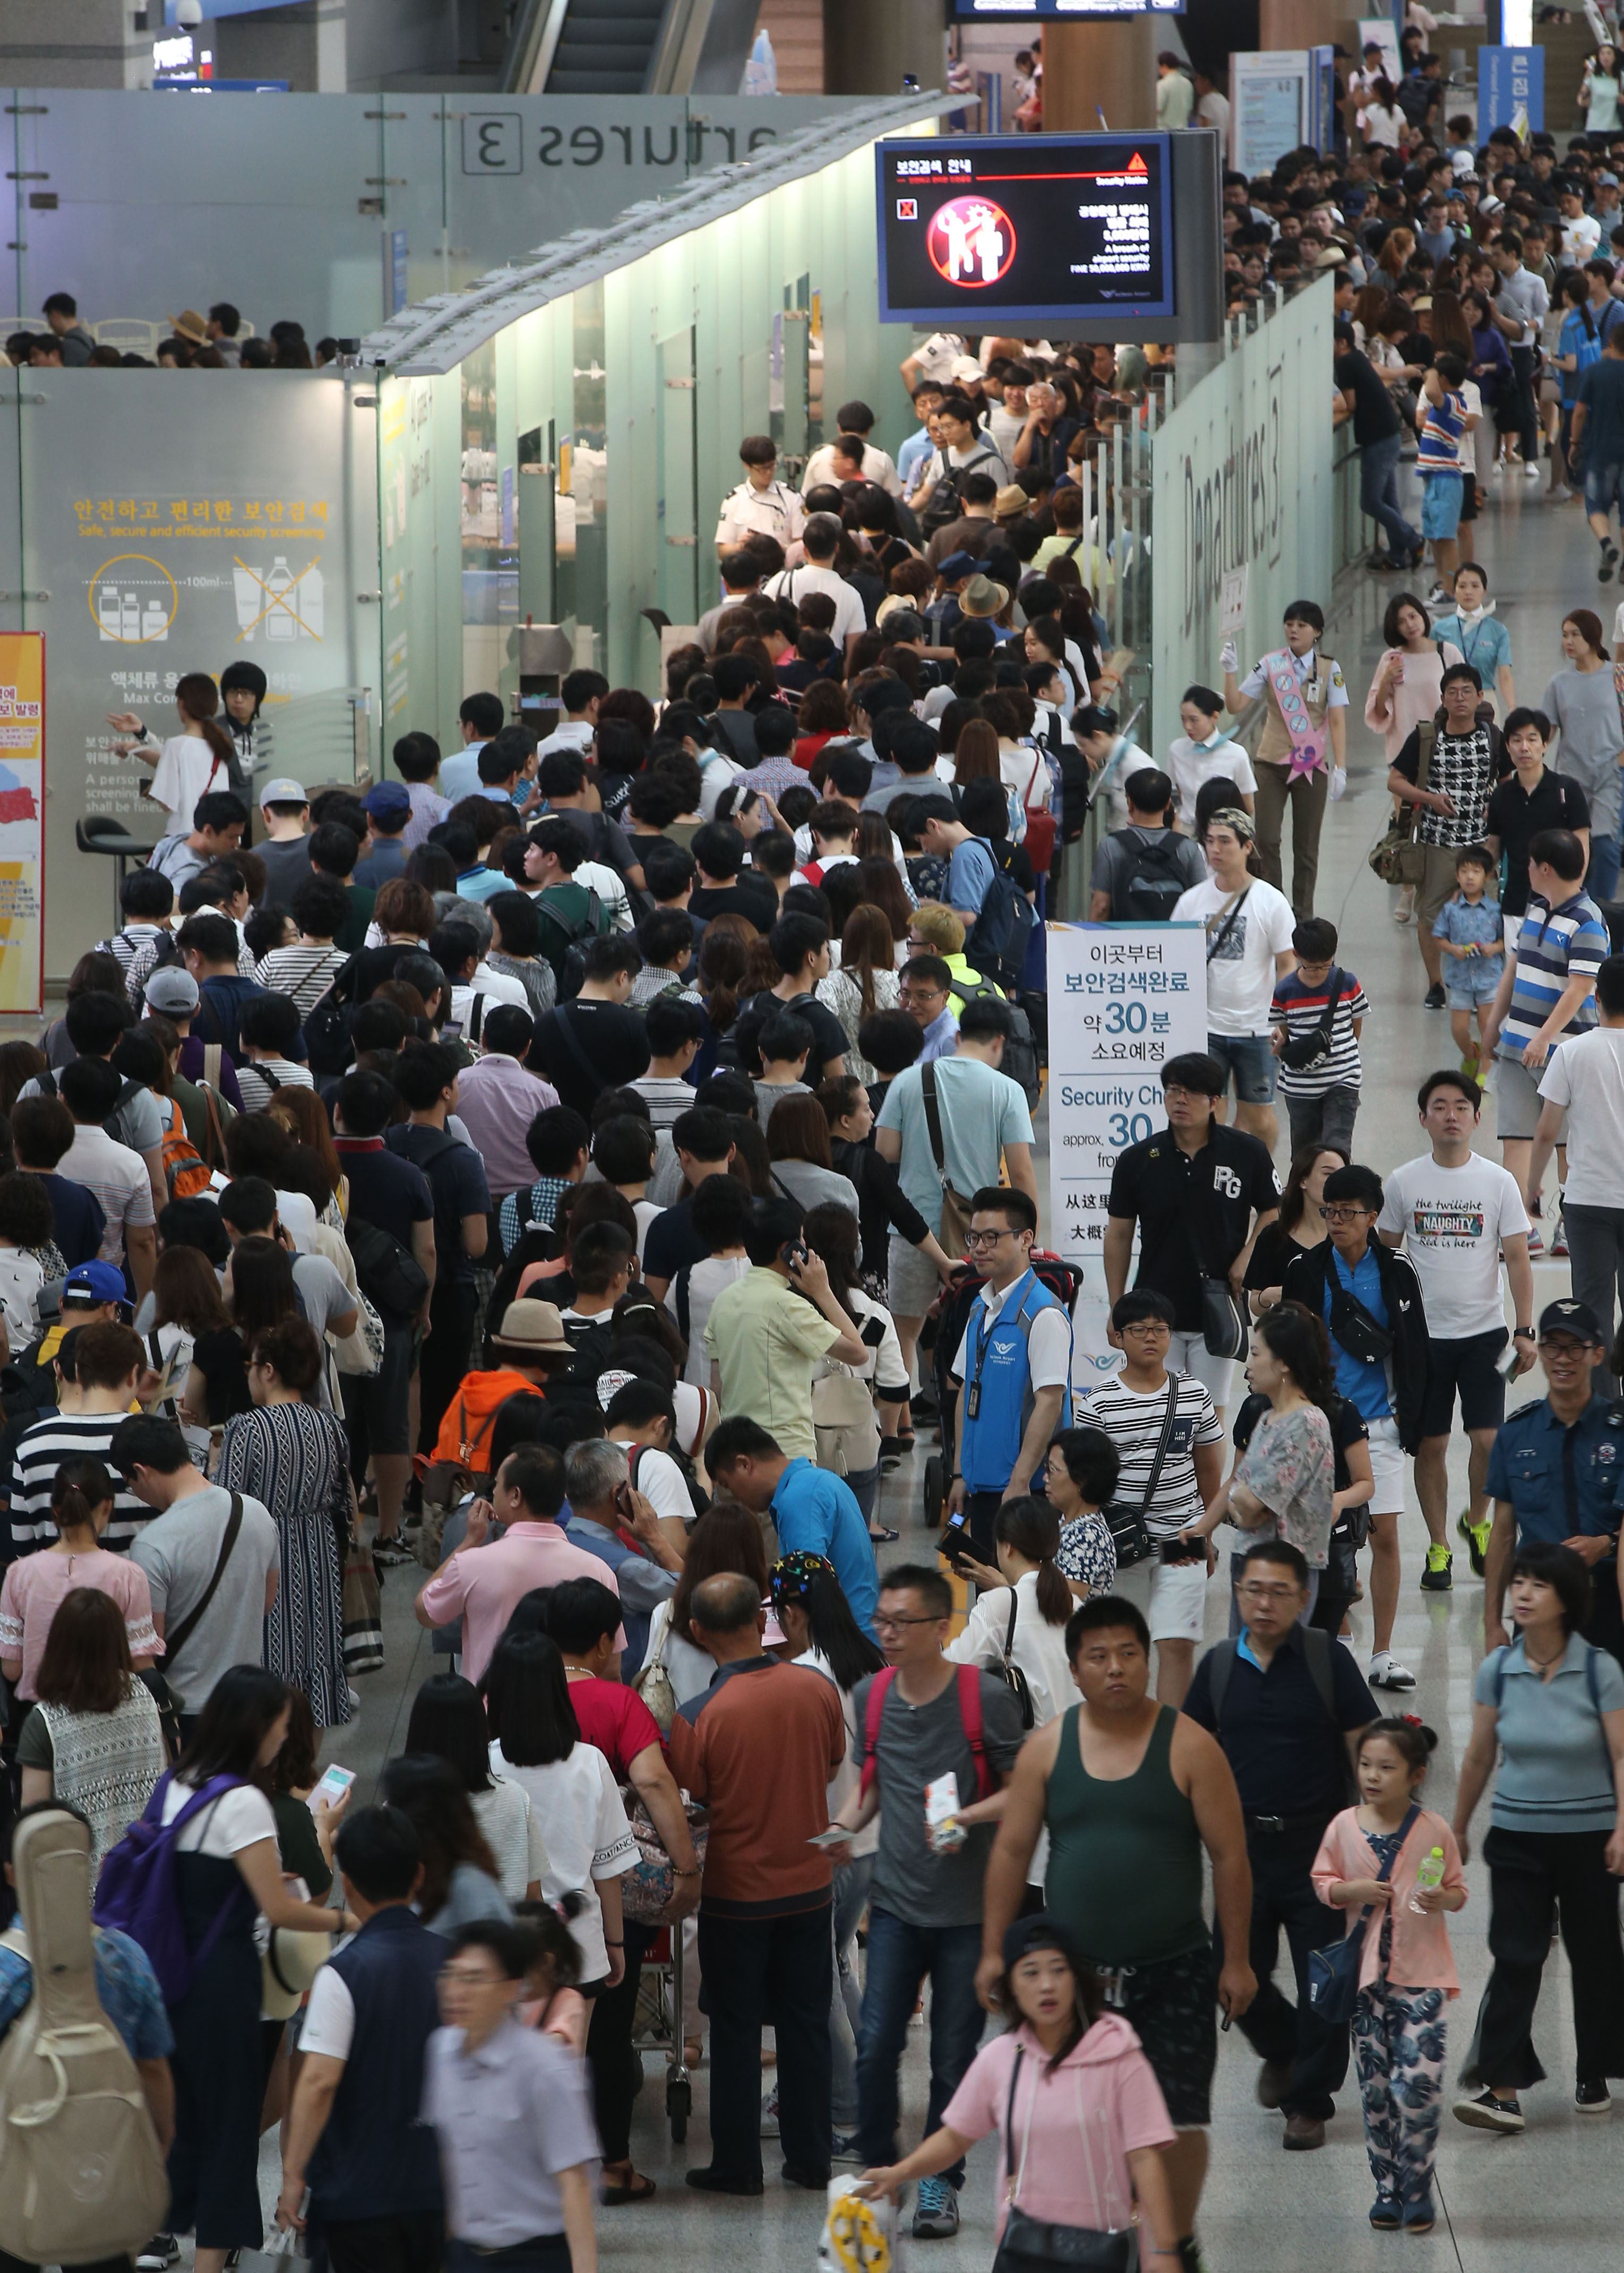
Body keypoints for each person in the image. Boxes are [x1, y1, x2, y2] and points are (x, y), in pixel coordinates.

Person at [977, 1597, 1256, 2268]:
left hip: (1176, 1968)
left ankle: (1172, 2241)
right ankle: (1084, 2235)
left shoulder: (1190, 1745)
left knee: (1180, 2117)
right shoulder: (1047, 1748)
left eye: (1128, 1654)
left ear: (1148, 1659)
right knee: (1066, 2114)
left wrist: (1237, 1960)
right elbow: (1011, 1851)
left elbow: (1229, 1856)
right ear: (1074, 1670)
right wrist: (992, 1951)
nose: (1114, 1669)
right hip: (1071, 1980)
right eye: (1097, 1657)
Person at [822, 1563, 1025, 2240]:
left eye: (901, 1623)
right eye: (881, 1620)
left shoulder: (983, 1698)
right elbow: (875, 1783)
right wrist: (842, 1826)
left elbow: (1024, 1792)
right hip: (897, 1905)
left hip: (969, 1911)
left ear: (943, 1627)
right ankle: (883, 2169)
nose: (887, 1634)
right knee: (876, 2043)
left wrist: (967, 1818)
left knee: (951, 2053)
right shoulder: (868, 1695)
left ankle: (941, 2180)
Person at [138, 1667, 356, 2273]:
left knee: (181, 2117)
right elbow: (283, 1907)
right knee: (231, 2127)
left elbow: (197, 1876)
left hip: (169, 1972)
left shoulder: (177, 1781)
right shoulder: (244, 1801)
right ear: (257, 1727)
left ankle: (146, 2236)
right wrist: (345, 1923)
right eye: (282, 1728)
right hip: (224, 1981)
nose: (285, 1740)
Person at [1181, 1538, 1379, 2149]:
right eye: (1251, 1590)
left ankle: (1307, 2101)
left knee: (1324, 1982)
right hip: (1240, 1851)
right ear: (1236, 1593)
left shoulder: (1326, 1660)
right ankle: (1285, 2048)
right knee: (1228, 1971)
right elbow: (1188, 1748)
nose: (1262, 1604)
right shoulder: (1216, 1667)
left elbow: (1365, 1746)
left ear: (1302, 1597)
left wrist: (1376, 1828)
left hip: (1317, 1849)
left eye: (1276, 1592)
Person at [855, 1912, 1181, 2266]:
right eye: (1030, 1972)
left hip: (1105, 2247)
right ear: (1009, 1987)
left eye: (1058, 1970)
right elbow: (955, 2138)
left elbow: (1145, 2157)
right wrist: (899, 2172)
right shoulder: (1001, 2059)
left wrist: (1163, 2249)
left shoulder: (1119, 2054)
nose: (1046, 1985)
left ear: (1077, 1979)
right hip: (1025, 2249)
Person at [668, 1570, 847, 2194]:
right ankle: (810, 2157)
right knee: (805, 2022)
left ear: (697, 1631)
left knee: (737, 2028)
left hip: (736, 1895)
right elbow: (830, 1763)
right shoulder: (814, 1688)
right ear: (761, 1617)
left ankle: (737, 2165)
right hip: (809, 1887)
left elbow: (695, 1795)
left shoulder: (697, 1716)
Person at [1451, 1540, 1624, 2129]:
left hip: (1590, 1837)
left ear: (1566, 1599)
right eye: (1517, 1582)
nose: (1520, 1594)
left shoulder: (1599, 1668)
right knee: (1515, 1954)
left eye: (1536, 1585)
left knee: (1595, 1954)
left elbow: (1621, 1756)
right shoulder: (1497, 1667)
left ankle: (1593, 2069)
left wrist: (1623, 1826)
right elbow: (1477, 1757)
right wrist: (1456, 1827)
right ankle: (1501, 2088)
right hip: (1517, 1835)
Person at [1378, 1070, 1535, 1592]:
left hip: (1483, 1334)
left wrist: (1524, 1328)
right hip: (1422, 1340)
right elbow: (1380, 1257)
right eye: (1439, 1106)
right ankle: (1438, 1544)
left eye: (1460, 1106)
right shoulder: (1402, 1181)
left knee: (1487, 1440)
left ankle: (1476, 1519)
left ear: (1475, 1117)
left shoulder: (1497, 1182)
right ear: (1422, 1118)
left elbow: (1516, 1256)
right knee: (1430, 1445)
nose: (1450, 1114)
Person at [274, 1803, 446, 2273]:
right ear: (418, 1876)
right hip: (438, 2188)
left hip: (359, 2195)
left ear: (346, 1882)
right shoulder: (452, 1962)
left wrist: (292, 2176)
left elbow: (319, 2083)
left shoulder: (342, 1973)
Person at [1312, 1720, 1467, 2232]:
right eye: (1364, 1765)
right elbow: (1322, 1882)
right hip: (1364, 1983)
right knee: (1376, 2090)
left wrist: (1442, 1898)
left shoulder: (1434, 1829)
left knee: (1416, 2087)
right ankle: (1387, 2188)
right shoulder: (1342, 1826)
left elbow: (1457, 1890)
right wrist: (1350, 1889)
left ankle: (1418, 2182)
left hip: (1423, 1976)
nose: (1372, 1776)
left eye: (1385, 1767)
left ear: (1416, 1774)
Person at [1282, 1165, 1429, 1691]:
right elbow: (1285, 1341)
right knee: (1324, 1538)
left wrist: (1414, 1419)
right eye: (1329, 1210)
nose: (1336, 1220)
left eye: (1347, 1212)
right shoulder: (1304, 1267)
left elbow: (1415, 1346)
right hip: (1319, 1424)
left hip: (1381, 1422)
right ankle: (1339, 1640)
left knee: (1383, 1533)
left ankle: (1383, 1652)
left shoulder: (1396, 1270)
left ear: (1372, 1216)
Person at [1104, 1051, 1280, 1415]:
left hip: (1214, 1309)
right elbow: (1119, 1235)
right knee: (1154, 1411)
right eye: (1172, 1091)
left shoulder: (1246, 1153)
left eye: (1191, 1093)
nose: (1179, 1100)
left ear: (1214, 1101)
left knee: (1207, 1414)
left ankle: (1207, 1477)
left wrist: (1247, 1256)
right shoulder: (1137, 1159)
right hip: (1154, 1310)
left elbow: (1272, 1210)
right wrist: (1116, 1304)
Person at [874, 995, 1036, 1387]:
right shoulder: (1006, 1090)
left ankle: (900, 1432)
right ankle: (958, 1431)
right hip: (981, 1237)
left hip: (912, 1230)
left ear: (959, 1034)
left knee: (902, 1338)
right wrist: (1029, 1238)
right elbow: (1020, 1172)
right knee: (973, 1333)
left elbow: (885, 1153)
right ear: (1000, 1042)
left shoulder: (908, 1080)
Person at [422, 1918, 600, 2273]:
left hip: (533, 2258)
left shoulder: (545, 2068)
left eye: (473, 1979)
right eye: (450, 1976)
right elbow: (449, 2161)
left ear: (511, 1989)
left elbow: (575, 2185)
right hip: (465, 2256)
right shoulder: (440, 2051)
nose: (457, 1991)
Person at [1481, 1298, 1624, 1669]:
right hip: (1538, 1611)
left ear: (1596, 1355)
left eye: (1574, 1348)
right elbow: (1501, 1534)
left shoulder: (1619, 1433)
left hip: (1607, 1603)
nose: (1563, 1359)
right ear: (1540, 1354)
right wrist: (1492, 1621)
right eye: (1553, 1347)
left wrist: (1605, 1544)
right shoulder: (1514, 1434)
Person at [1481, 828, 1607, 1244]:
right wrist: (1493, 1026)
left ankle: (1570, 1226)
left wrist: (1543, 1038)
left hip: (1565, 1054)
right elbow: (1513, 969)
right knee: (1515, 1138)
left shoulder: (1587, 921)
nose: (1526, 869)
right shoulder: (1535, 909)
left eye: (1530, 864)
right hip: (1517, 1047)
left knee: (1568, 1145)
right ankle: (1523, 1229)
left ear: (1545, 869)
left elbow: (1580, 989)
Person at [113, 1414, 281, 1726]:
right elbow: (267, 1601)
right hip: (251, 1700)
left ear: (140, 1472)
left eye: (130, 1484)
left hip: (189, 1710)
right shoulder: (257, 1512)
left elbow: (152, 1643)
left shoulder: (152, 1544)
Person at [414, 1444, 622, 1683]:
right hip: (570, 1713)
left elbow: (426, 1612)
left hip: (491, 1713)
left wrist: (470, 1541)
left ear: (515, 1496)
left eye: (497, 1486)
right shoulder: (599, 1571)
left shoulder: (471, 1564)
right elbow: (611, 1671)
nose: (491, 1494)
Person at [942, 1186, 1071, 1563]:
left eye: (991, 1237)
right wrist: (959, 1474)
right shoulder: (980, 1309)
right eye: (973, 1238)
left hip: (1022, 1491)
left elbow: (1050, 1402)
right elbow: (967, 1390)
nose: (978, 1248)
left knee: (1018, 1600)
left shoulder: (1043, 1315)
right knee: (989, 1601)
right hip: (982, 1484)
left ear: (1026, 1239)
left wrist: (1019, 1480)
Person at [11, 1586, 167, 1867]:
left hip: (79, 1888)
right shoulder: (151, 1695)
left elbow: (35, 1825)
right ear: (119, 1640)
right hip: (149, 1877)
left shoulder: (44, 1722)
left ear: (58, 1644)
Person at [703, 1198, 869, 1462]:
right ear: (787, 1250)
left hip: (734, 1453)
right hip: (785, 1454)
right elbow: (858, 1352)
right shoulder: (788, 1305)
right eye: (801, 1240)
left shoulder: (724, 1301)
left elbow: (717, 1386)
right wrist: (822, 1291)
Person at [1173, 811, 1297, 1149]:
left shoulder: (1270, 901)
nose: (1215, 849)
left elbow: (1287, 963)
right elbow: (1175, 960)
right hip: (1207, 1028)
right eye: (1210, 841)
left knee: (1259, 1117)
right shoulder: (1190, 902)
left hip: (1256, 1029)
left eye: (1225, 841)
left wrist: (1281, 1019)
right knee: (1208, 1116)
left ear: (1247, 847)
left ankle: (1263, 1178)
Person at [1219, 601, 1349, 916]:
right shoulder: (1270, 664)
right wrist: (1230, 672)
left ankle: (1303, 914)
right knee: (1265, 839)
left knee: (1306, 847)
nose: (1294, 629)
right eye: (1289, 623)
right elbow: (1235, 705)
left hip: (1312, 767)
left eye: (1302, 625)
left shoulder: (1331, 670)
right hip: (1270, 764)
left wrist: (1341, 768)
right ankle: (1273, 907)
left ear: (1317, 632)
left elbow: (1336, 720)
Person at [1387, 662, 1505, 1008]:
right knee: (1429, 914)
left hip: (1482, 844)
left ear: (1480, 696)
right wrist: (1429, 800)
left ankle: (1482, 987)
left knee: (1486, 914)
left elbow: (1508, 782)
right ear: (1442, 699)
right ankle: (1436, 984)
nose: (1459, 698)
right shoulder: (1427, 736)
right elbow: (1394, 780)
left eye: (1466, 691)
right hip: (1437, 842)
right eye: (1452, 692)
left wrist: (1494, 807)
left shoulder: (1491, 737)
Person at [0, 1456, 159, 1703]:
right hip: (108, 1712)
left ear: (55, 1509)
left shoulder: (19, 1573)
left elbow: (12, 1669)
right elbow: (141, 1664)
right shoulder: (128, 1575)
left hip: (41, 1716)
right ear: (107, 1506)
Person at [706, 1414, 878, 1638]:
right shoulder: (815, 1480)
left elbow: (806, 1590)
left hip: (847, 1646)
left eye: (728, 1485)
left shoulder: (800, 1498)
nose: (736, 1498)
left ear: (744, 1464)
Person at [943, 1495, 1075, 1726]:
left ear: (1008, 1547)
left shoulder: (999, 1605)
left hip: (1032, 1751)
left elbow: (950, 1673)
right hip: (1079, 1745)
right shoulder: (1074, 1604)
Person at [1540, 610, 1623, 902]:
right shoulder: (1558, 684)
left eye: (1575, 634)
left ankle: (1603, 913)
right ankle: (1576, 908)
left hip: (1609, 776)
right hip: (1570, 778)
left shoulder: (1618, 676)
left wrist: (1619, 762)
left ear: (1593, 635)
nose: (1569, 641)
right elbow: (1545, 731)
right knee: (1573, 848)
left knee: (1605, 845)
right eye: (1565, 635)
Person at [1268, 915, 1368, 1154]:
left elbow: (1356, 1028)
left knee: (1338, 1147)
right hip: (1300, 1086)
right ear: (1296, 955)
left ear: (1334, 952)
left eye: (1325, 965)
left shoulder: (1348, 983)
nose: (1318, 972)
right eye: (1311, 966)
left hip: (1343, 1080)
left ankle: (1338, 1191)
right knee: (1305, 1152)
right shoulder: (1284, 990)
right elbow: (1285, 1033)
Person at [527, 935, 651, 1117]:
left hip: (567, 1131)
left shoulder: (547, 1022)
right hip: (617, 1132)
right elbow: (647, 1085)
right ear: (623, 977)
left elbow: (534, 1088)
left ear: (587, 972)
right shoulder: (635, 1024)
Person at [1088, 766, 1208, 923]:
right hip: (1176, 940)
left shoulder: (1112, 845)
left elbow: (1101, 906)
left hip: (1125, 941)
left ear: (1129, 803)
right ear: (1168, 805)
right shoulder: (1187, 848)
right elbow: (1202, 904)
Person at [1433, 844, 1505, 1077]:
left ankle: (1484, 1069)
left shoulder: (1495, 911)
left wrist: (1493, 948)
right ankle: (1469, 1053)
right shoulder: (1450, 909)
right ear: (1457, 876)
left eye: (1476, 872)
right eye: (1464, 872)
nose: (1469, 877)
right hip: (1460, 978)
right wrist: (1453, 949)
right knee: (1459, 1028)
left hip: (1489, 977)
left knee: (1488, 1026)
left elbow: (1506, 941)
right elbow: (1438, 938)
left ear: (1487, 877)